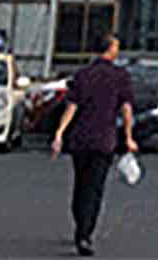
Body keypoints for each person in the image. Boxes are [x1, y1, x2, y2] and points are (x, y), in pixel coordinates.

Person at [51, 32, 136, 256]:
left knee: (80, 185)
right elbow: (126, 109)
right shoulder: (120, 76)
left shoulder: (83, 74)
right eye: (116, 46)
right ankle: (85, 235)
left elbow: (72, 106)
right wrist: (128, 137)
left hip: (80, 138)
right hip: (104, 139)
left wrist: (59, 133)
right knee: (94, 188)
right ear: (110, 49)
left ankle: (80, 225)